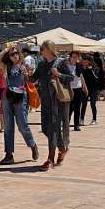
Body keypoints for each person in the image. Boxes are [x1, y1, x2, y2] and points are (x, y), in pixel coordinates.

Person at [31, 40, 74, 171]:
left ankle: (50, 159)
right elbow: (33, 79)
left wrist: (59, 74)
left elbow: (71, 78)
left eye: (42, 48)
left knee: (53, 128)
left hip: (57, 101)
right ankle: (62, 148)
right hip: (45, 100)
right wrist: (25, 74)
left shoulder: (60, 62)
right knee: (45, 128)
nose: (40, 51)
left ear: (49, 49)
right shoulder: (42, 64)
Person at [0, 45, 40, 164]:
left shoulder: (25, 65)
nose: (15, 56)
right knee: (8, 126)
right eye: (12, 54)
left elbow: (32, 78)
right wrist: (6, 49)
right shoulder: (7, 66)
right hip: (7, 97)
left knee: (22, 125)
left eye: (16, 53)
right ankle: (9, 155)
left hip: (20, 97)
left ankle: (32, 145)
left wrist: (27, 73)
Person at [67, 51, 86, 131]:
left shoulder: (79, 66)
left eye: (77, 57)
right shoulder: (66, 66)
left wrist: (85, 87)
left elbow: (81, 77)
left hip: (78, 88)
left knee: (78, 107)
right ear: (70, 57)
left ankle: (76, 125)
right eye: (74, 57)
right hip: (69, 89)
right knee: (70, 107)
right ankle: (66, 123)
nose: (75, 59)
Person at [80, 55, 100, 125]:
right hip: (84, 89)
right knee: (84, 104)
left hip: (93, 89)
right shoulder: (81, 68)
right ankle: (81, 119)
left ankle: (94, 119)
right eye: (83, 61)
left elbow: (96, 77)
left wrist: (91, 70)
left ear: (89, 61)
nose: (84, 62)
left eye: (85, 61)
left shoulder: (95, 68)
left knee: (92, 104)